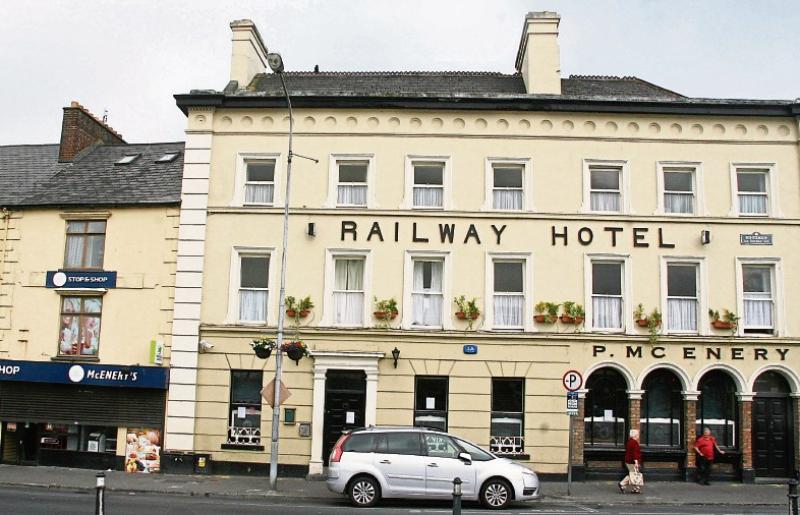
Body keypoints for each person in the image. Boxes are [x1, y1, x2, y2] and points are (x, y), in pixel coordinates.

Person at [618, 429, 642, 494]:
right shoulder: (634, 442)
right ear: (635, 435)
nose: (638, 436)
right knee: (633, 474)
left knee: (633, 474)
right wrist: (636, 462)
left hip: (628, 461)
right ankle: (622, 484)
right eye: (637, 435)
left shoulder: (629, 441)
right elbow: (635, 453)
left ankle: (636, 489)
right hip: (632, 462)